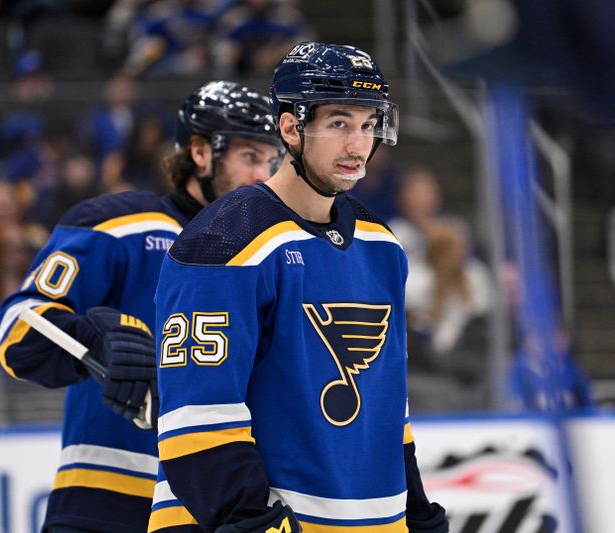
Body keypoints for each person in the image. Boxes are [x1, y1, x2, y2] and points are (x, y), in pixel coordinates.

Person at [151, 42, 447, 533]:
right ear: (290, 127)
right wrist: (256, 524)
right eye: (339, 123)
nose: (358, 145)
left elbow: (388, 408)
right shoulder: (224, 241)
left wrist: (415, 513)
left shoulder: (382, 246)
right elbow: (196, 422)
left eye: (369, 125)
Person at [0, 80, 282, 533]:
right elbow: (16, 326)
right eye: (250, 157)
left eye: (272, 160)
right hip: (107, 499)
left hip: (220, 506)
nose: (265, 175)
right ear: (201, 153)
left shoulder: (271, 255)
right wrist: (91, 341)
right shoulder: (120, 226)